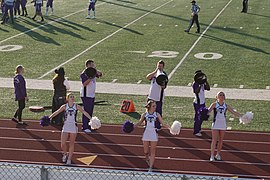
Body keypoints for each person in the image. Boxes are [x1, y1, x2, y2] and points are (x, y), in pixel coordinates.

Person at [49, 93, 92, 165]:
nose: (72, 98)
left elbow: (84, 112)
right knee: (62, 144)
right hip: (66, 126)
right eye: (70, 97)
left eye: (73, 97)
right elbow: (57, 112)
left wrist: (91, 119)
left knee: (71, 143)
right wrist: (49, 117)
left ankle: (69, 158)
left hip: (73, 126)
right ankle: (65, 154)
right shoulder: (64, 106)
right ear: (67, 99)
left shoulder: (76, 106)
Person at [207, 91, 242, 162]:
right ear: (217, 97)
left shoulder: (226, 105)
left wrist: (242, 116)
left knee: (221, 140)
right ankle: (212, 155)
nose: (222, 96)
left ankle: (218, 154)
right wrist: (202, 113)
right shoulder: (214, 104)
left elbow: (233, 112)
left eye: (223, 95)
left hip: (223, 124)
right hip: (216, 124)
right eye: (220, 95)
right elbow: (207, 111)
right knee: (214, 140)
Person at [135, 100, 169, 172]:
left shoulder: (157, 114)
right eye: (153, 106)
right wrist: (132, 126)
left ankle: (150, 167)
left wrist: (170, 128)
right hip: (146, 133)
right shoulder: (144, 115)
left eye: (155, 106)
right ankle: (147, 158)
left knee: (153, 151)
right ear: (149, 107)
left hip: (153, 133)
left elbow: (163, 123)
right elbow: (139, 123)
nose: (155, 107)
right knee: (146, 151)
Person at [80, 59, 102, 133]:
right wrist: (90, 77)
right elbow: (84, 83)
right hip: (86, 95)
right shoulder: (84, 73)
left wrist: (95, 71)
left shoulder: (92, 71)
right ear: (88, 65)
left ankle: (90, 125)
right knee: (86, 111)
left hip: (91, 94)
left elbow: (100, 74)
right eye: (92, 65)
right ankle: (85, 126)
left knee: (90, 111)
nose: (93, 66)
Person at [146, 60, 167, 130]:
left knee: (158, 112)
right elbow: (148, 77)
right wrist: (155, 71)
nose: (159, 67)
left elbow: (164, 87)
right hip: (151, 96)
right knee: (148, 111)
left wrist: (161, 82)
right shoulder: (154, 74)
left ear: (163, 67)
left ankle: (157, 126)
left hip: (158, 97)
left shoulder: (164, 75)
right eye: (158, 66)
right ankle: (147, 124)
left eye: (161, 66)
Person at [192, 70, 210, 137]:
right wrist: (199, 84)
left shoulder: (202, 83)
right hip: (198, 103)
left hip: (202, 102)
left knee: (202, 117)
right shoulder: (195, 83)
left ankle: (198, 128)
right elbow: (196, 91)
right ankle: (196, 131)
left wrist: (206, 81)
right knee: (198, 117)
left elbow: (208, 88)